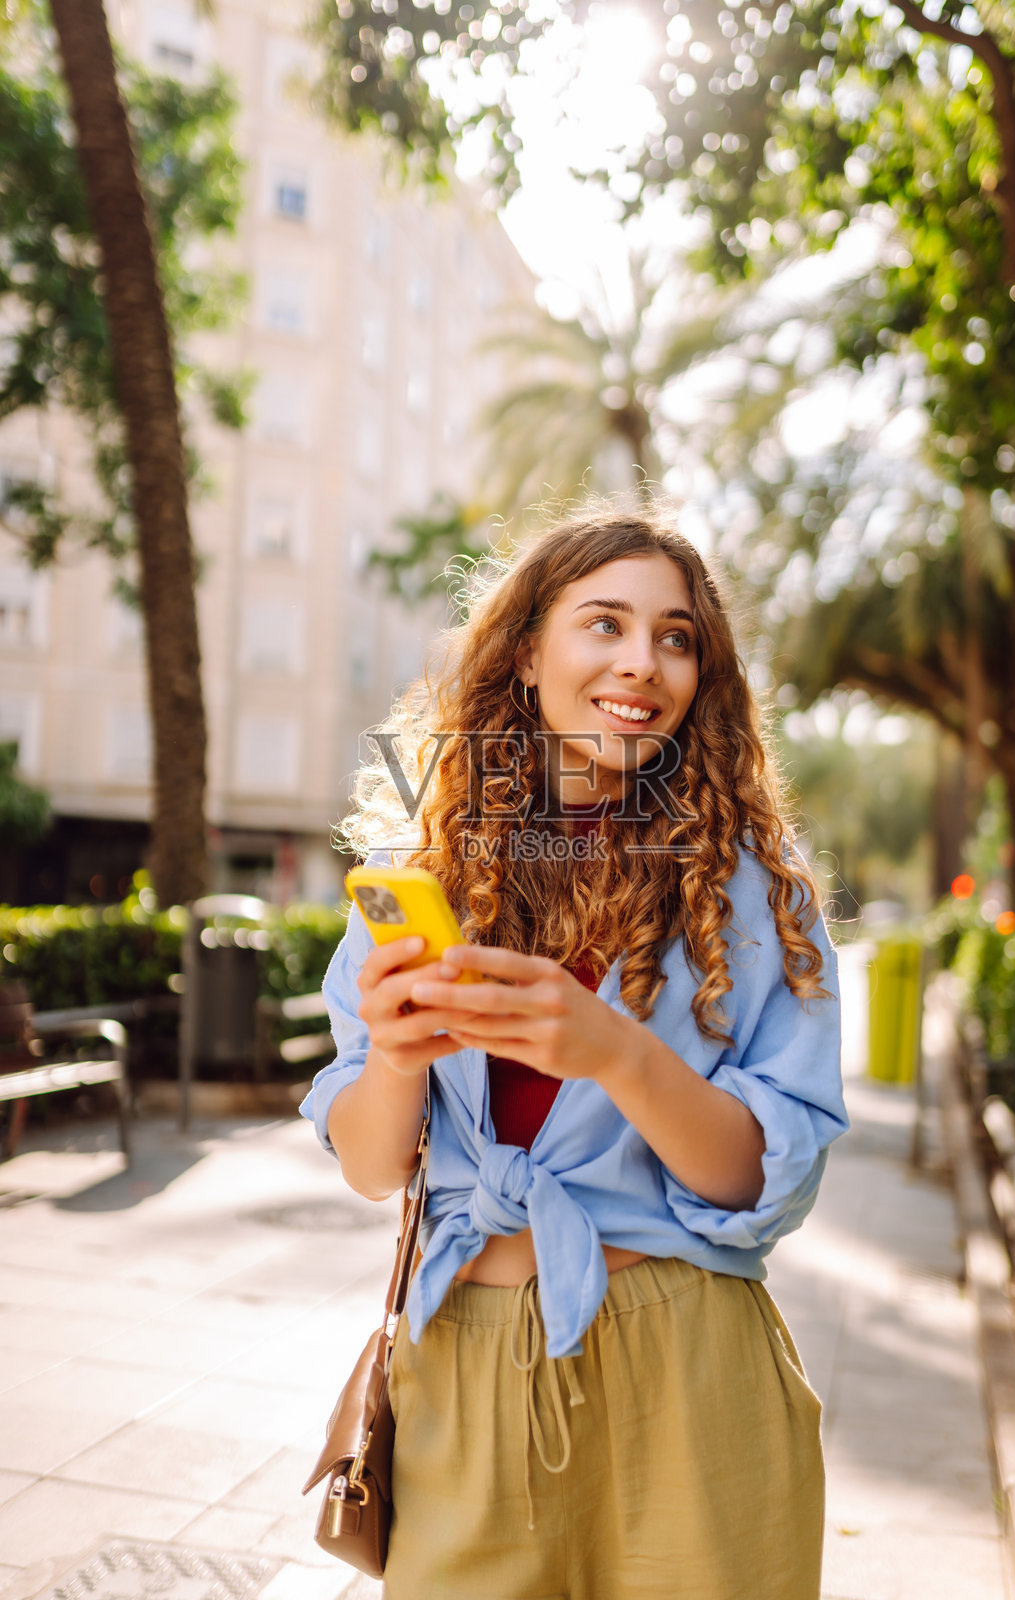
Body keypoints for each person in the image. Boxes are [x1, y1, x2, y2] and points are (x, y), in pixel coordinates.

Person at [301, 508, 848, 1600]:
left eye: (676, 637)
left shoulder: (753, 886)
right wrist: (401, 1054)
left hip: (688, 1366)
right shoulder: (420, 869)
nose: (641, 662)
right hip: (460, 1358)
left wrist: (614, 1052)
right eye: (604, 623)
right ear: (525, 650)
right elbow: (370, 1167)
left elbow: (756, 1183)